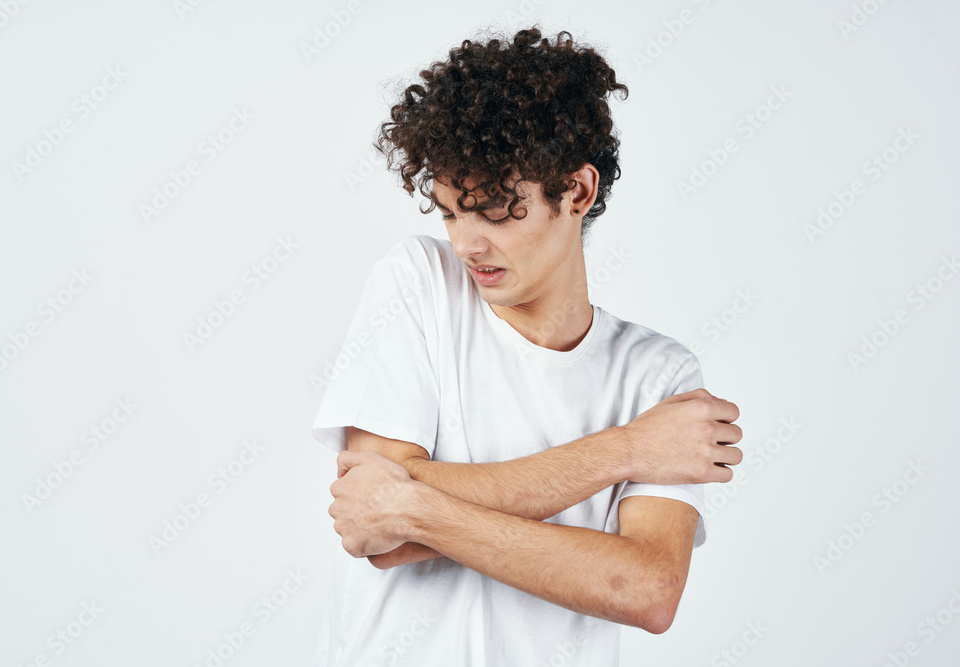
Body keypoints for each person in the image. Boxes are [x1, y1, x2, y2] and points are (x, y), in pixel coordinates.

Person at [310, 26, 743, 666]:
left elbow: (644, 589)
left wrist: (414, 505)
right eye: (450, 212)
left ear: (577, 192)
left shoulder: (658, 376)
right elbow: (375, 532)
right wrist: (626, 450)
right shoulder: (419, 282)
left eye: (491, 211)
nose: (466, 244)